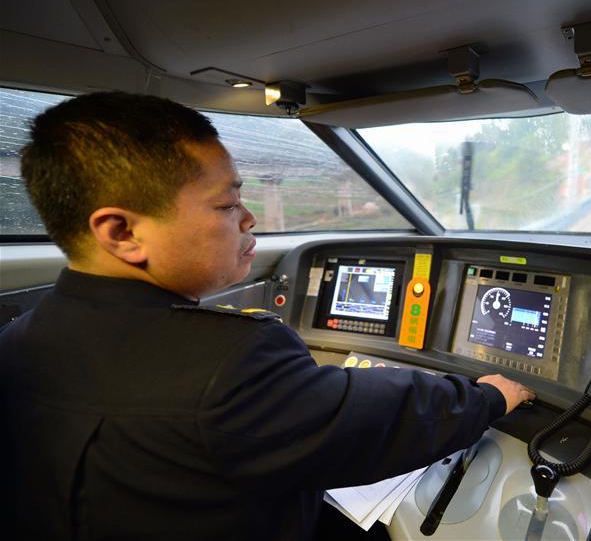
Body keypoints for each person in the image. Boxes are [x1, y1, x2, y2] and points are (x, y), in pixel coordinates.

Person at [0, 92, 535, 540]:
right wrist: (484, 397)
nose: (249, 216)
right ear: (121, 232)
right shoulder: (226, 362)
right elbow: (369, 418)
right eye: (226, 204)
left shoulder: (20, 338)